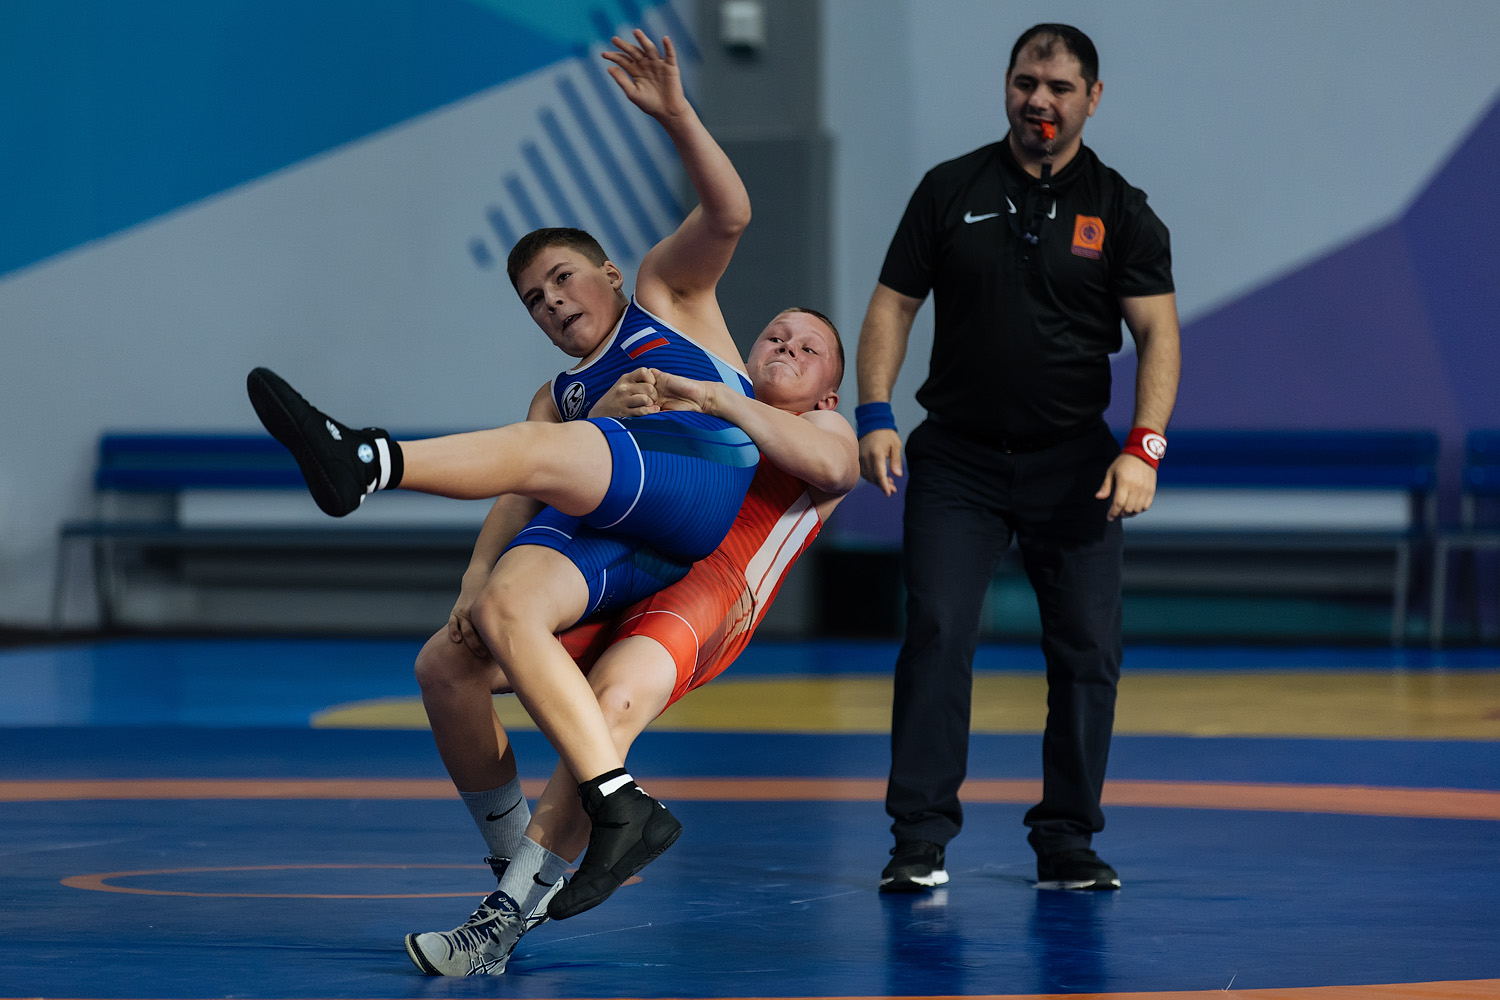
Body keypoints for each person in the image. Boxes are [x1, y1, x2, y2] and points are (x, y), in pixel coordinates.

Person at [247, 30, 765, 922]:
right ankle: (573, 826)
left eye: (563, 279)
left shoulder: (664, 296)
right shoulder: (557, 395)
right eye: (534, 299)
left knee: (547, 446)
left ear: (609, 273)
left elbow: (729, 215)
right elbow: (517, 494)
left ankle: (368, 459)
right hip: (624, 535)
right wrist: (475, 579)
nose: (552, 301)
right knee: (457, 652)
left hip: (699, 478)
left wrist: (678, 115)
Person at [404, 308, 854, 976]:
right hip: (630, 559)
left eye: (808, 348)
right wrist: (479, 573)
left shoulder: (820, 425)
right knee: (447, 666)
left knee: (611, 700)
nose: (787, 347)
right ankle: (518, 865)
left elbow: (834, 467)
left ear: (828, 395)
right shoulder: (698, 394)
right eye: (776, 337)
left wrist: (714, 397)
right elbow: (551, 473)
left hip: (708, 592)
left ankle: (500, 923)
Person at [855, 23, 1180, 894]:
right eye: (1026, 82)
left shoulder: (1122, 209)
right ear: (1007, 86)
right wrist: (875, 412)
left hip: (1075, 466)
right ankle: (919, 839)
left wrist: (1143, 448)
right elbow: (892, 306)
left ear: (1092, 99)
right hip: (957, 462)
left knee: (1088, 652)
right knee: (936, 633)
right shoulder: (948, 188)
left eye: (1060, 88)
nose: (1040, 100)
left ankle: (1067, 838)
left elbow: (1158, 333)